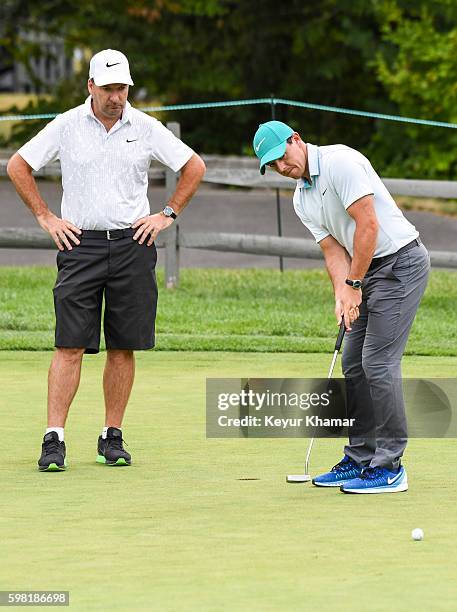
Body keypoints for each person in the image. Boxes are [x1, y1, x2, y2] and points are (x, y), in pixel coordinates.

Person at [7, 49, 206, 472]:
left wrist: (166, 214)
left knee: (123, 345)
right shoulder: (66, 126)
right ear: (91, 87)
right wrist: (45, 217)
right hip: (80, 245)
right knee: (69, 344)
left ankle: (111, 436)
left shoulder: (145, 127)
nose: (118, 97)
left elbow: (194, 166)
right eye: (111, 88)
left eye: (124, 88)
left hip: (133, 245)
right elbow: (18, 164)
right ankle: (54, 438)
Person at [252, 120, 430, 494]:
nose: (283, 168)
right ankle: (361, 456)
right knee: (353, 361)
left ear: (296, 140)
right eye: (274, 166)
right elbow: (333, 250)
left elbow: (367, 225)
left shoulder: (340, 162)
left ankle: (391, 465)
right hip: (364, 271)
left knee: (378, 362)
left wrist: (354, 284)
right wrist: (341, 294)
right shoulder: (302, 198)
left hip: (400, 263)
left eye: (282, 157)